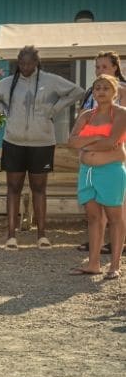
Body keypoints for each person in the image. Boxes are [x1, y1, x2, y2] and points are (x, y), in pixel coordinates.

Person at [0, 45, 84, 249]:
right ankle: (11, 236)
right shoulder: (9, 83)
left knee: (39, 188)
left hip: (42, 143)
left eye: (29, 63)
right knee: (13, 188)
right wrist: (3, 110)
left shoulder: (50, 80)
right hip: (14, 142)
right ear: (18, 63)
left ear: (37, 63)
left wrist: (54, 109)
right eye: (22, 63)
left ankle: (42, 236)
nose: (25, 67)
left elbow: (77, 91)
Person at [67, 74, 126, 280]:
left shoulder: (120, 113)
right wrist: (96, 138)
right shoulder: (86, 115)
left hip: (110, 171)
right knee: (93, 217)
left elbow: (111, 142)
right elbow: (71, 141)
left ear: (114, 92)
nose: (101, 91)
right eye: (97, 88)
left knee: (114, 218)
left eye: (106, 88)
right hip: (87, 173)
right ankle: (94, 264)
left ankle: (115, 265)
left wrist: (85, 142)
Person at [77, 51, 126, 255]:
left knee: (116, 204)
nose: (99, 70)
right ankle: (97, 243)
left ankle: (118, 245)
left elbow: (114, 128)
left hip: (115, 155)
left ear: (116, 67)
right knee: (97, 204)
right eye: (97, 67)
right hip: (92, 160)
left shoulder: (122, 91)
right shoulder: (92, 92)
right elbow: (80, 125)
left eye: (104, 67)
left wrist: (91, 142)